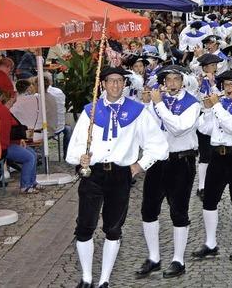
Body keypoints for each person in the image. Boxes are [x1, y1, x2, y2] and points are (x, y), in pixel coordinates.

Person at [66, 67, 169, 288]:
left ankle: (104, 280)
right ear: (102, 84)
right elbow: (74, 147)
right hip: (93, 174)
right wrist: (80, 158)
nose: (115, 85)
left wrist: (139, 166)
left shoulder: (137, 111)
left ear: (124, 84)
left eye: (119, 81)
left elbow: (159, 145)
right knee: (85, 226)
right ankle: (86, 278)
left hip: (120, 175)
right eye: (110, 81)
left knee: (113, 228)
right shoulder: (90, 111)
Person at [136, 66, 201, 279]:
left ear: (182, 81)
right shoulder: (158, 102)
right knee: (149, 209)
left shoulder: (192, 102)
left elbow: (179, 128)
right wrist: (146, 105)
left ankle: (178, 260)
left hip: (181, 160)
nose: (172, 83)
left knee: (178, 211)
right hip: (158, 160)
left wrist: (158, 104)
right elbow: (149, 128)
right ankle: (153, 257)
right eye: (168, 79)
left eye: (176, 79)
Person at [192, 70, 232, 262]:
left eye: (231, 85)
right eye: (225, 85)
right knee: (210, 200)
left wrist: (217, 106)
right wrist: (209, 109)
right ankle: (210, 243)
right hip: (217, 156)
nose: (227, 89)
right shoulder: (221, 104)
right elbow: (203, 129)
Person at [0, 86, 39, 194]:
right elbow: (12, 129)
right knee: (30, 157)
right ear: (1, 96)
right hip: (3, 147)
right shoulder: (4, 110)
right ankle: (26, 185)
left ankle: (31, 182)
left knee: (31, 154)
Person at [194, 53, 223, 201]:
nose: (214, 68)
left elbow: (221, 98)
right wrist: (200, 86)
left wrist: (213, 85)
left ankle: (212, 183)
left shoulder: (218, 81)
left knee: (214, 155)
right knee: (204, 155)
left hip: (217, 121)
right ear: (205, 68)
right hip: (205, 121)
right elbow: (199, 100)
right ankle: (202, 186)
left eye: (215, 65)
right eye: (212, 66)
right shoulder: (200, 82)